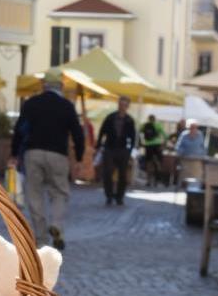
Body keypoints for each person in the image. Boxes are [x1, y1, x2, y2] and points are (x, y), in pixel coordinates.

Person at [12, 70, 86, 250]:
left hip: (33, 153)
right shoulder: (67, 106)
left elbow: (19, 130)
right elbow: (78, 133)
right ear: (61, 86)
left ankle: (42, 238)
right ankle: (57, 225)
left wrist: (14, 154)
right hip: (58, 155)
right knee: (60, 192)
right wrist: (79, 157)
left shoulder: (31, 104)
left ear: (43, 85)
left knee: (34, 194)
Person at [96, 97, 138, 206]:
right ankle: (109, 195)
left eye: (124, 105)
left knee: (122, 175)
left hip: (123, 150)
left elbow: (133, 137)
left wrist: (129, 150)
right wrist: (99, 144)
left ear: (127, 106)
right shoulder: (110, 117)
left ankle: (119, 197)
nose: (122, 107)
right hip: (109, 148)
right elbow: (102, 131)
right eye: (120, 104)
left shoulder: (129, 120)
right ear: (118, 105)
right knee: (107, 172)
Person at [140, 115, 167, 187]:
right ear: (155, 119)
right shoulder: (158, 125)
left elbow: (139, 133)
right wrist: (164, 144)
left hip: (148, 145)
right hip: (157, 145)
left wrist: (142, 142)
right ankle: (157, 180)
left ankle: (148, 180)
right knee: (158, 163)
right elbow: (165, 135)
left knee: (149, 163)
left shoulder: (144, 125)